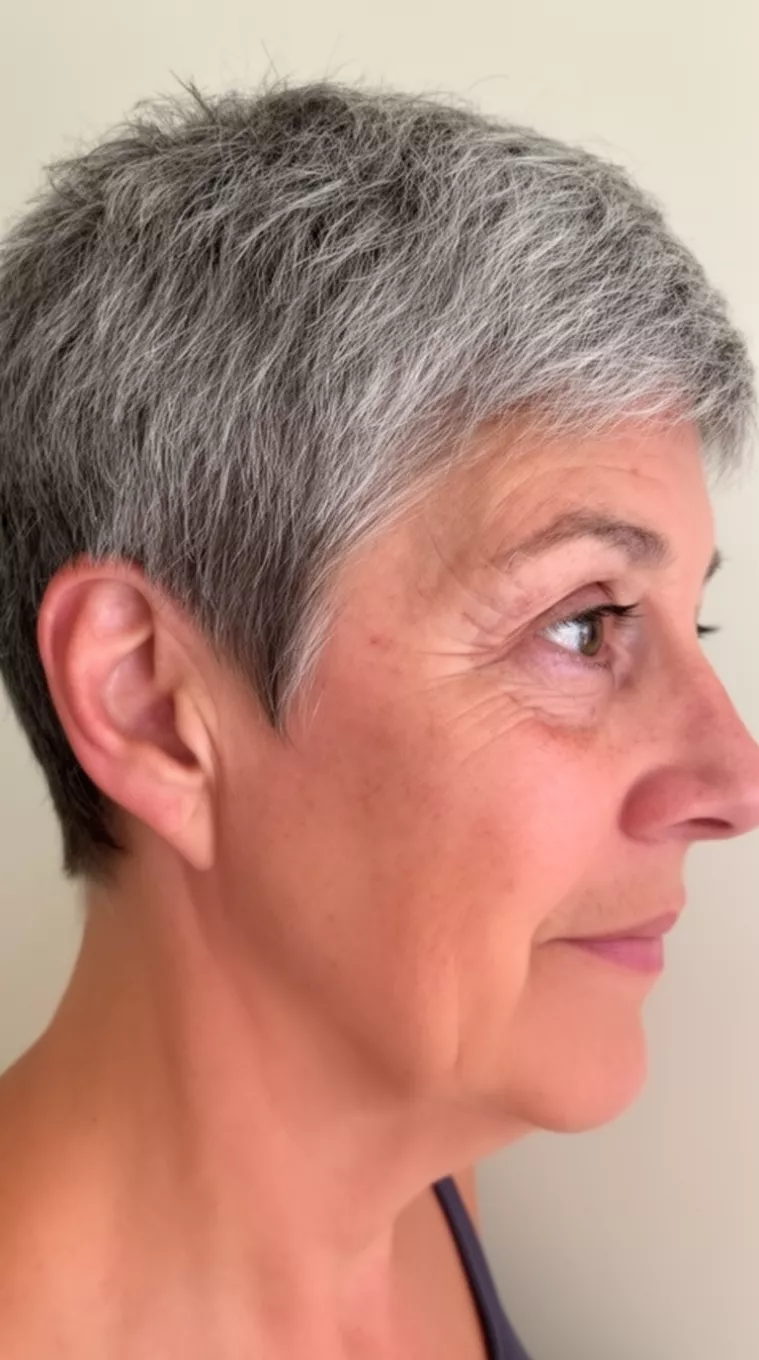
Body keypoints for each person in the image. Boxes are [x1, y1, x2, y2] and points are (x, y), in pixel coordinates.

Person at [0, 78, 758, 1360]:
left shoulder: (429, 1157)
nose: (734, 778)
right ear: (151, 702)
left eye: (698, 624)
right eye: (584, 622)